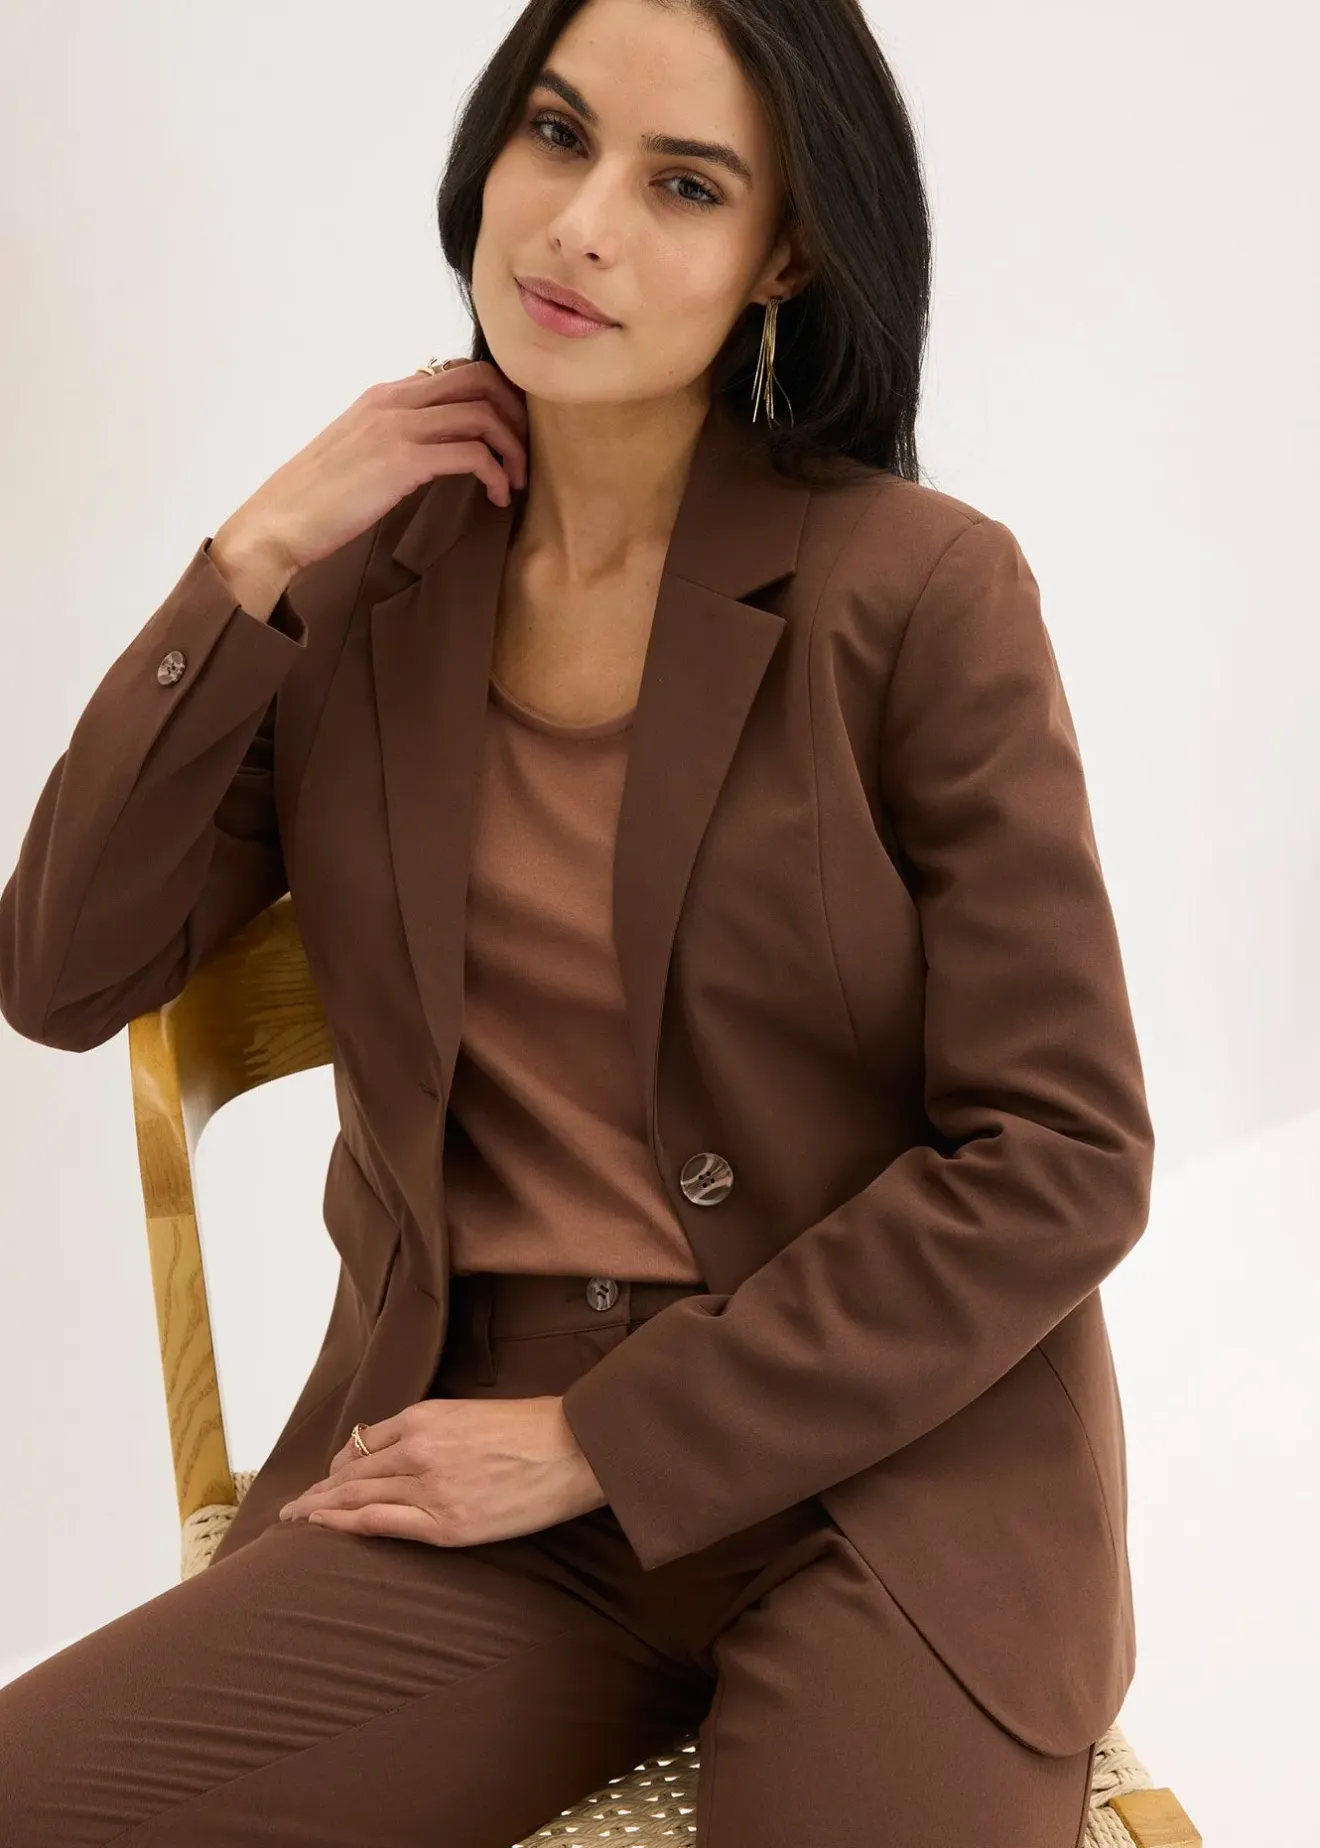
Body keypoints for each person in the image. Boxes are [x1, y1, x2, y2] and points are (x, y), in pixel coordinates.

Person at [0, 1, 1153, 1843]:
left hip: (889, 1474)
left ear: (785, 255)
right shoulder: (358, 592)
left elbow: (1063, 1153)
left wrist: (606, 1439)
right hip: (474, 1468)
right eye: (556, 134)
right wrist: (252, 560)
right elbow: (62, 975)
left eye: (682, 184)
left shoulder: (921, 592)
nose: (580, 224)